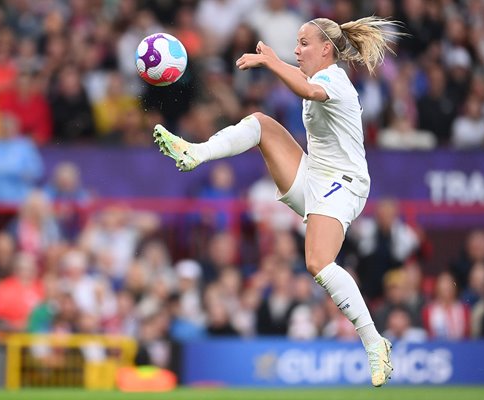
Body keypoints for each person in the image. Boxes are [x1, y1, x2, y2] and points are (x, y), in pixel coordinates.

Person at [153, 16, 398, 387]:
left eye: (303, 43)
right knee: (261, 123)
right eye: (296, 44)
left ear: (325, 49)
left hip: (343, 185)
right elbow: (303, 87)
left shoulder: (334, 79)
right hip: (314, 177)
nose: (296, 50)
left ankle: (374, 342)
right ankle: (195, 153)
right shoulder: (315, 78)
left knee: (317, 261)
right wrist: (275, 63)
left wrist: (271, 62)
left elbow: (308, 91)